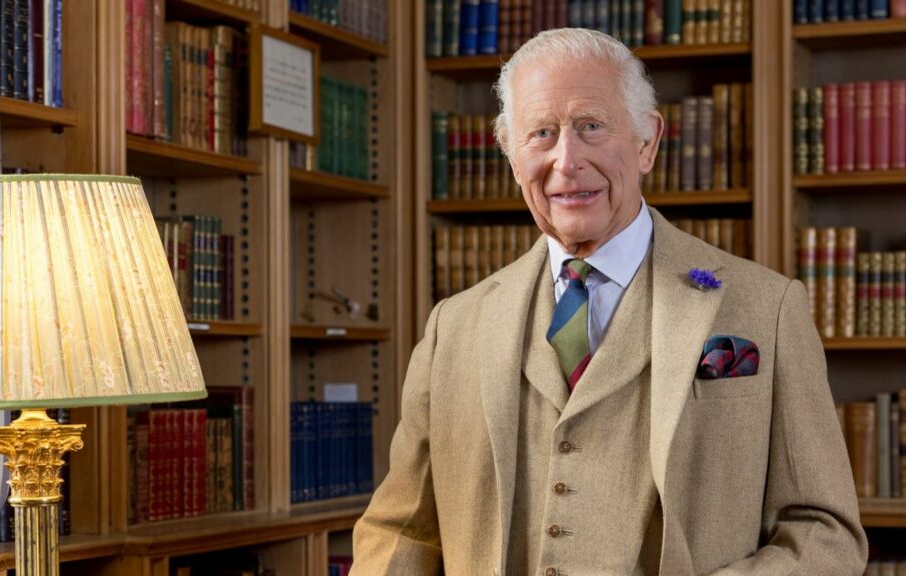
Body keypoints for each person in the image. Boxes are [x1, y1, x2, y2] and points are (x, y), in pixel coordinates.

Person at [351, 28, 868, 575]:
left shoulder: (769, 307)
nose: (566, 160)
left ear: (647, 142)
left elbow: (824, 533)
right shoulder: (452, 327)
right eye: (541, 134)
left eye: (591, 127)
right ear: (510, 154)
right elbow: (402, 530)